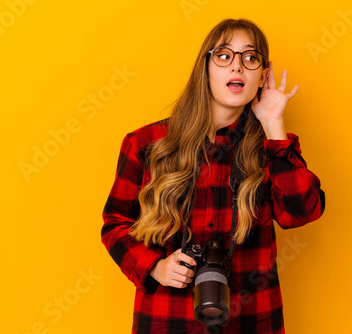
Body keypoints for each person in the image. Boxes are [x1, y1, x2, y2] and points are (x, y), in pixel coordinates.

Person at [101, 18, 325, 334]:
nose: (237, 67)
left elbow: (301, 212)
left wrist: (274, 123)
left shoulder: (274, 148)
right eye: (224, 56)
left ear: (262, 76)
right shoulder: (147, 144)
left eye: (250, 58)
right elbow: (115, 223)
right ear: (205, 69)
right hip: (168, 320)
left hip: (250, 320)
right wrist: (155, 266)